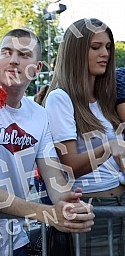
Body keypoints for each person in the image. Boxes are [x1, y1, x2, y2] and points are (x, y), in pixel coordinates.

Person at [0, 29, 95, 256]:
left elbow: (54, 179)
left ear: (37, 68)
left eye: (23, 55)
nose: (13, 60)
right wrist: (48, 214)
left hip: (14, 242)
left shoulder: (40, 116)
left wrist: (69, 207)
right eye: (6, 52)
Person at [44, 18, 125, 255]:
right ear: (77, 51)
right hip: (91, 210)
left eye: (108, 47)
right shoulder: (60, 98)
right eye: (95, 47)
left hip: (119, 205)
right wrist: (109, 147)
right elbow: (69, 166)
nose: (105, 54)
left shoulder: (104, 99)